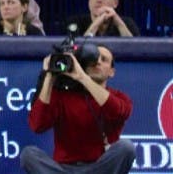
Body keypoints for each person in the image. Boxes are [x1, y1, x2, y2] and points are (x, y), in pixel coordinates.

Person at [20, 46, 135, 174]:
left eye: (104, 60)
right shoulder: (63, 96)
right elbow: (37, 125)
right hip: (64, 169)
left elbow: (116, 111)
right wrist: (49, 77)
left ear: (112, 72)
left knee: (126, 147)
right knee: (28, 155)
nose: (97, 62)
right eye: (94, 58)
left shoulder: (119, 97)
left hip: (99, 168)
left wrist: (82, 78)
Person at [71, 0, 141, 37]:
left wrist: (119, 23)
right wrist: (97, 23)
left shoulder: (127, 24)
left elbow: (136, 49)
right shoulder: (74, 23)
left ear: (115, 3)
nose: (98, 0)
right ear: (89, 0)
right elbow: (77, 50)